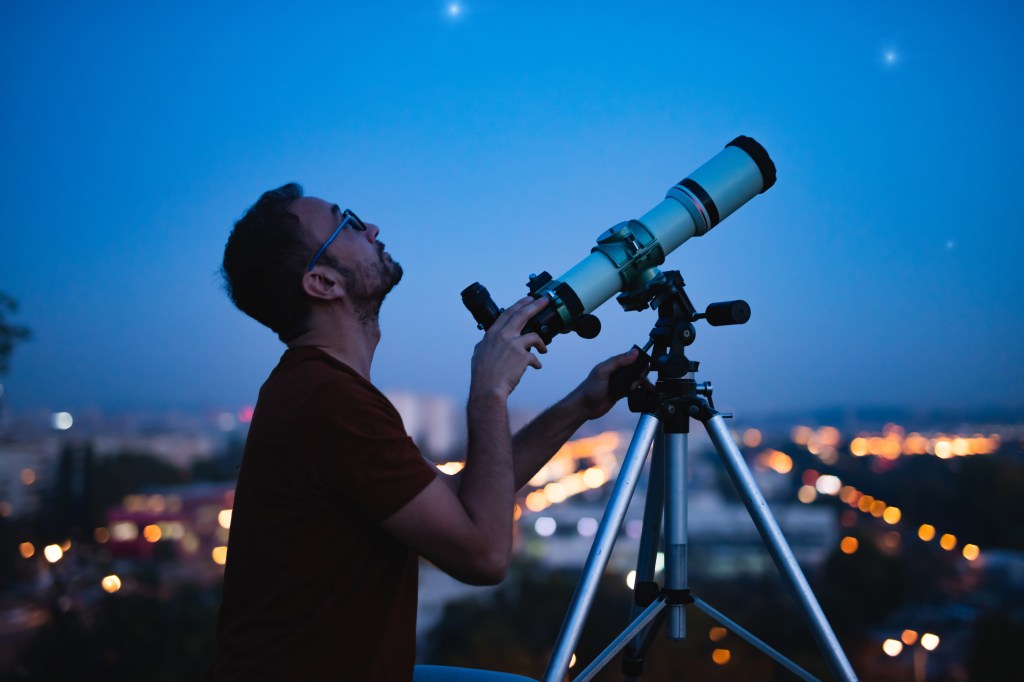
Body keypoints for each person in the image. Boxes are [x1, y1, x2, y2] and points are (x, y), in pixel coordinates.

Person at [208, 183, 637, 681]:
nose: (371, 228)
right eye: (346, 222)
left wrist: (579, 405)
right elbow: (485, 554)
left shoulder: (318, 390)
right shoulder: (330, 403)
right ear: (323, 283)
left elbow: (460, 499)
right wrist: (489, 391)